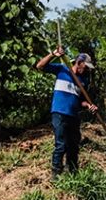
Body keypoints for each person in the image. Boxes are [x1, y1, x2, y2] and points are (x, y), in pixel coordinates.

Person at [35, 47, 97, 177]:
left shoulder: (84, 81)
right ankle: (56, 174)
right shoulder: (62, 69)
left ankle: (73, 174)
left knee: (73, 146)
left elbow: (81, 101)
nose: (87, 69)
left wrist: (88, 105)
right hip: (59, 113)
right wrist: (53, 54)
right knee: (61, 144)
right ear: (79, 62)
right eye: (85, 66)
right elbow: (40, 66)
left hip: (73, 116)